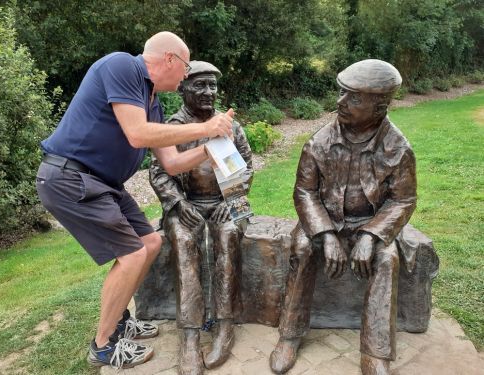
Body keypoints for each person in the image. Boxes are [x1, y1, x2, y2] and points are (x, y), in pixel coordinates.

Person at [36, 32, 234, 369]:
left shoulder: (152, 101)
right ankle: (102, 345)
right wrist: (205, 129)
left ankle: (119, 321)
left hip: (103, 183)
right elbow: (137, 134)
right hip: (71, 177)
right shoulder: (122, 66)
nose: (185, 77)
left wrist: (212, 150)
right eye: (185, 68)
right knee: (131, 254)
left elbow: (170, 163)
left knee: (150, 241)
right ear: (170, 59)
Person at [269, 59, 417, 375]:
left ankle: (376, 352)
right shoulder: (320, 141)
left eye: (352, 97)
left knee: (386, 259)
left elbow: (403, 200)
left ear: (379, 107)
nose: (340, 102)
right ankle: (289, 334)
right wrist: (324, 234)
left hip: (370, 223)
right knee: (302, 247)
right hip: (325, 220)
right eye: (341, 93)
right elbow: (304, 193)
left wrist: (371, 235)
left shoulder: (398, 148)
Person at [150, 61, 253, 375]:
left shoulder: (229, 126)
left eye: (212, 85)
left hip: (227, 201)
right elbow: (159, 174)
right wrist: (178, 204)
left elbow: (247, 166)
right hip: (186, 204)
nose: (208, 92)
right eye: (200, 85)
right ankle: (190, 335)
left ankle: (224, 327)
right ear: (182, 88)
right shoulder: (172, 126)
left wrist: (232, 198)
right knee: (183, 239)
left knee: (228, 234)